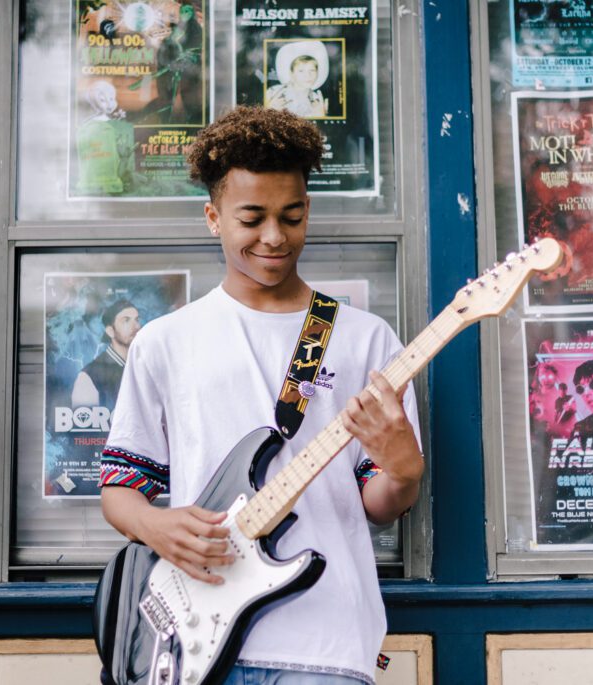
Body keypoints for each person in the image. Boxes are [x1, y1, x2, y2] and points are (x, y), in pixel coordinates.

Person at [98, 106, 423, 684]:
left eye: (290, 216)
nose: (274, 236)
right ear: (213, 217)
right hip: (190, 646)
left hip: (326, 647)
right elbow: (122, 491)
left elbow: (379, 503)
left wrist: (402, 473)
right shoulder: (165, 342)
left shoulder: (366, 339)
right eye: (252, 218)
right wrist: (157, 527)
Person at [71, 299, 141, 411]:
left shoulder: (144, 366)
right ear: (110, 331)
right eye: (126, 320)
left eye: (137, 320)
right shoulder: (89, 377)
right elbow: (85, 425)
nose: (136, 326)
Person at [265, 40, 329, 119]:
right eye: (301, 71)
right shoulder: (273, 93)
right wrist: (268, 111)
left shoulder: (318, 102)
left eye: (312, 70)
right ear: (291, 73)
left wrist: (321, 117)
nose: (308, 75)